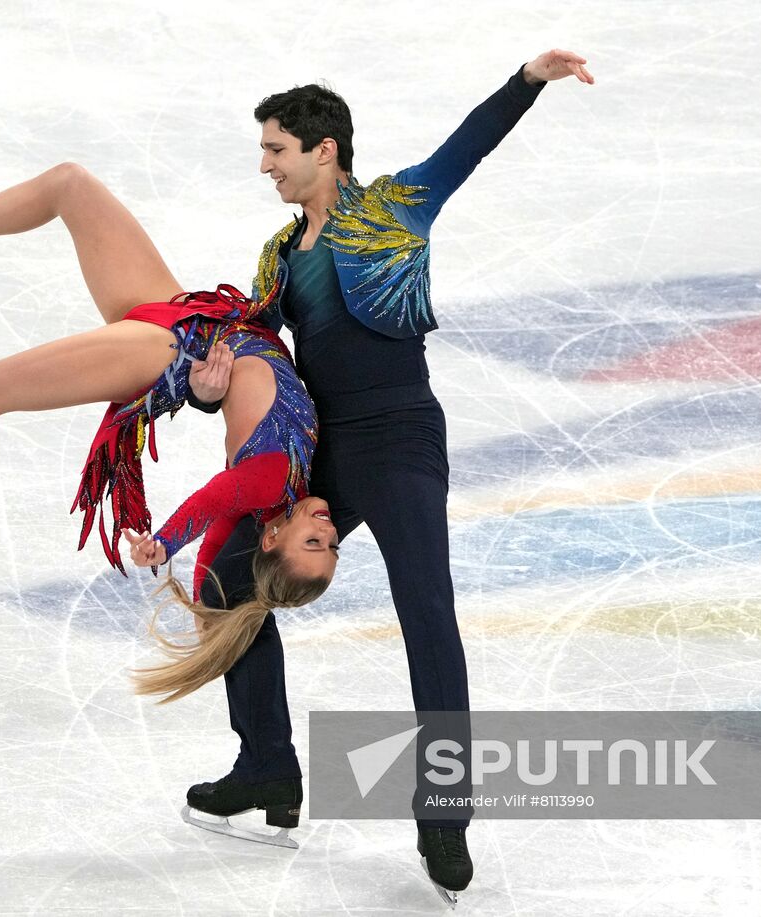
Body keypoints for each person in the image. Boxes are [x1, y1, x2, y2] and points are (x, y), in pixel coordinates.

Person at [182, 50, 594, 904]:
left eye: (276, 149)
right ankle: (267, 766)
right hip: (323, 448)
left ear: (324, 149)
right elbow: (256, 355)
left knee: (425, 612)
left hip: (402, 438)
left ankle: (443, 813)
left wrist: (526, 79)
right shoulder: (276, 255)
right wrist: (201, 390)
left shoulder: (396, 205)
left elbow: (467, 147)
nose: (265, 164)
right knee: (229, 579)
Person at [0, 164, 340, 699]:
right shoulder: (283, 500)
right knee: (70, 186)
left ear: (274, 539)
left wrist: (162, 544)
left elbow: (212, 502)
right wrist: (211, 615)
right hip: (199, 316)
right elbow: (213, 558)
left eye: (314, 542)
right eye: (333, 546)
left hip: (170, 353)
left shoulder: (271, 485)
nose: (328, 527)